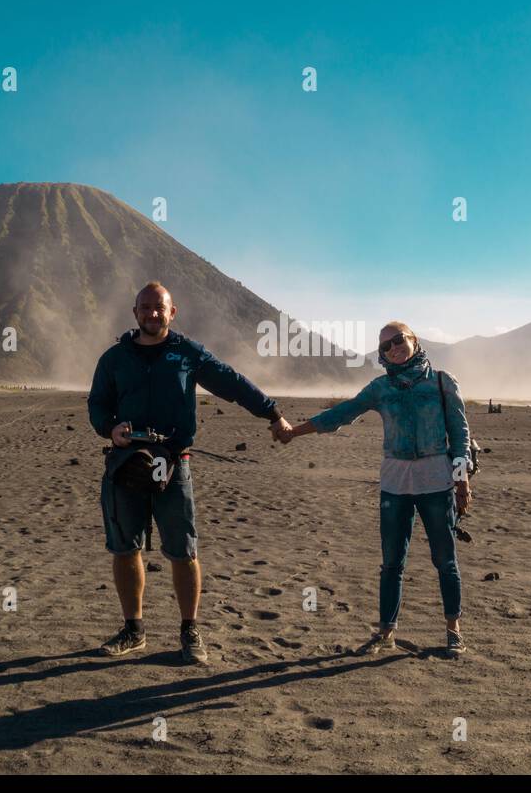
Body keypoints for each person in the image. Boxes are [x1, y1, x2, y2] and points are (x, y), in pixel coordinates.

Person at [87, 282, 293, 664]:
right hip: (124, 464)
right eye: (144, 308)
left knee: (183, 550)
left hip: (174, 464)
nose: (152, 314)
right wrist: (109, 428)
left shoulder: (187, 354)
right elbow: (97, 404)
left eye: (158, 308)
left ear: (172, 312)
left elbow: (232, 384)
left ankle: (190, 630)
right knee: (124, 548)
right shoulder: (114, 358)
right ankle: (133, 630)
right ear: (135, 313)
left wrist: (272, 412)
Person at [277, 322, 473, 656]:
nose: (394, 348)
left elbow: (459, 433)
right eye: (385, 346)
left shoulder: (441, 382)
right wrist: (296, 431)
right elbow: (342, 413)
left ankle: (453, 630)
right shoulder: (380, 388)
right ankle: (386, 632)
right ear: (382, 355)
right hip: (395, 483)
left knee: (445, 559)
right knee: (392, 562)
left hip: (436, 482)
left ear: (413, 340)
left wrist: (461, 477)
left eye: (398, 340)